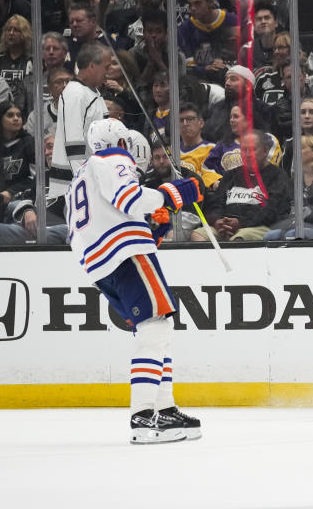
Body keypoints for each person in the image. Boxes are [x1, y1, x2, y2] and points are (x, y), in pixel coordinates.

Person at [66, 118, 203, 444]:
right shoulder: (113, 158)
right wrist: (172, 193)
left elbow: (106, 218)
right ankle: (143, 417)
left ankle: (165, 407)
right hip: (125, 255)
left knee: (155, 329)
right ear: (122, 143)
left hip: (99, 267)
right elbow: (129, 199)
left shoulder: (77, 180)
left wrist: (151, 230)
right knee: (156, 327)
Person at [50, 43, 110, 195]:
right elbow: (73, 144)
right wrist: (84, 182)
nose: (108, 73)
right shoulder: (75, 94)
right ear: (91, 66)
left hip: (90, 178)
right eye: (106, 67)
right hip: (73, 184)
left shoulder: (92, 92)